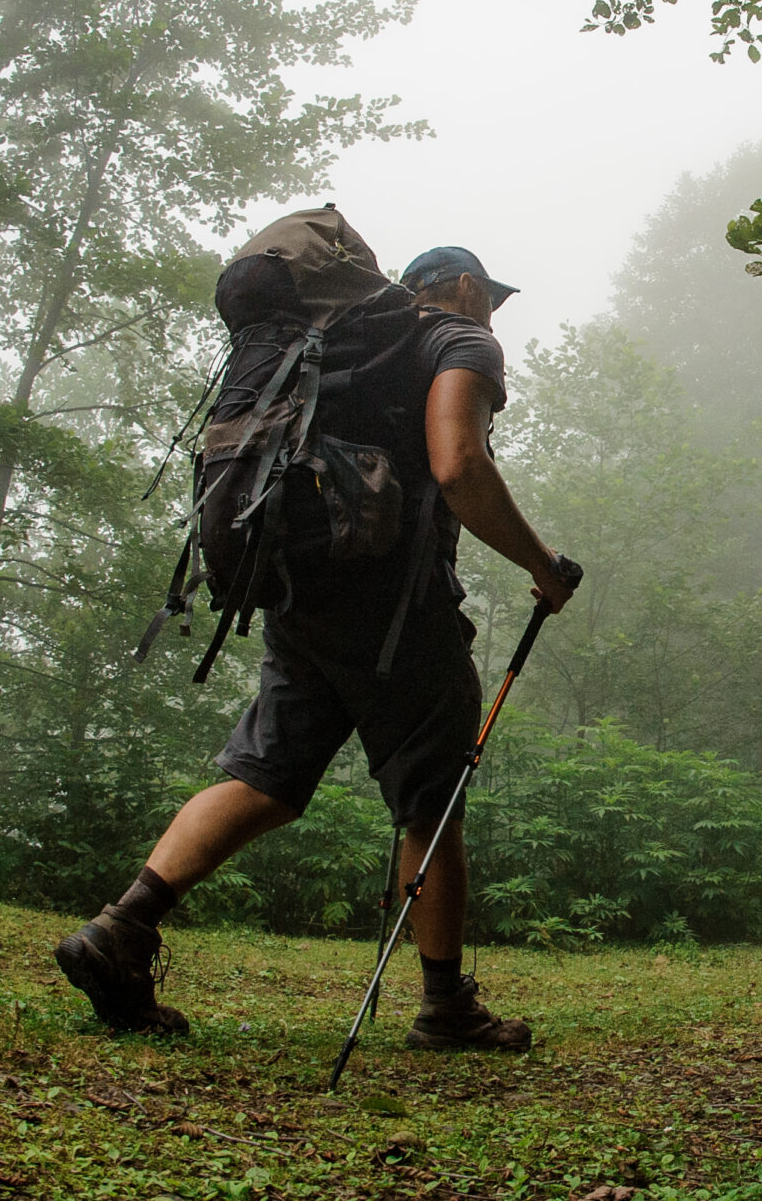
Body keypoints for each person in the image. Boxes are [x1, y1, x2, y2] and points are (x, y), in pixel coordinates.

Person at [55, 213, 575, 1049]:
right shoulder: (460, 342)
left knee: (266, 773)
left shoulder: (329, 352)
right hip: (394, 611)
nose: (492, 318)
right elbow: (459, 465)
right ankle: (445, 1007)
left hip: (302, 590)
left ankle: (122, 928)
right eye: (492, 303)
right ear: (471, 291)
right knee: (432, 800)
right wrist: (542, 564)